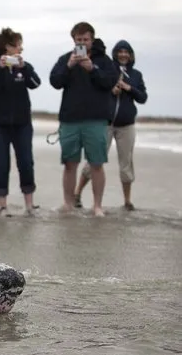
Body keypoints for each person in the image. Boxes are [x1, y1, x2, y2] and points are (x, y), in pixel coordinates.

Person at [49, 22, 118, 217]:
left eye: (85, 40)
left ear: (92, 39)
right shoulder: (65, 59)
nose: (82, 43)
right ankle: (68, 204)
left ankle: (97, 206)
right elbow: (55, 81)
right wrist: (70, 66)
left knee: (96, 163)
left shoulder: (104, 61)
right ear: (73, 40)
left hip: (96, 120)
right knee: (70, 164)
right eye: (78, 40)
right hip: (70, 119)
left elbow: (110, 82)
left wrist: (92, 68)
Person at [74, 39, 148, 211]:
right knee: (94, 160)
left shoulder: (136, 75)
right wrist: (111, 89)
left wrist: (128, 88)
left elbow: (143, 98)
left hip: (126, 125)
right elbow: (96, 87)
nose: (123, 55)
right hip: (104, 123)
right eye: (120, 52)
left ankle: (127, 201)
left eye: (126, 52)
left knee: (126, 164)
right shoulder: (108, 69)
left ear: (130, 55)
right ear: (115, 54)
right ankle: (77, 193)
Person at [0, 28, 41, 216]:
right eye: (17, 45)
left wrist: (24, 68)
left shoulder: (24, 66)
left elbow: (36, 83)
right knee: (1, 163)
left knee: (26, 162)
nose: (21, 49)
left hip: (22, 123)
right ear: (7, 47)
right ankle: (2, 206)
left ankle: (30, 205)